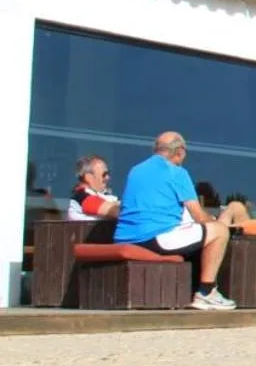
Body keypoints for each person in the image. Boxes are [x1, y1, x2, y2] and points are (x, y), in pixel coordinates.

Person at [113, 132, 235, 310]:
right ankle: (206, 293)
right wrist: (216, 221)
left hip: (124, 238)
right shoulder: (177, 172)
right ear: (179, 152)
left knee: (198, 235)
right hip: (156, 238)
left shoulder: (135, 170)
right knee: (219, 231)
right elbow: (199, 217)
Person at [68, 155, 119, 221]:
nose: (108, 177)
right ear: (88, 177)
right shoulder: (82, 196)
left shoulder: (103, 194)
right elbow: (116, 211)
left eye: (108, 173)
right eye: (104, 174)